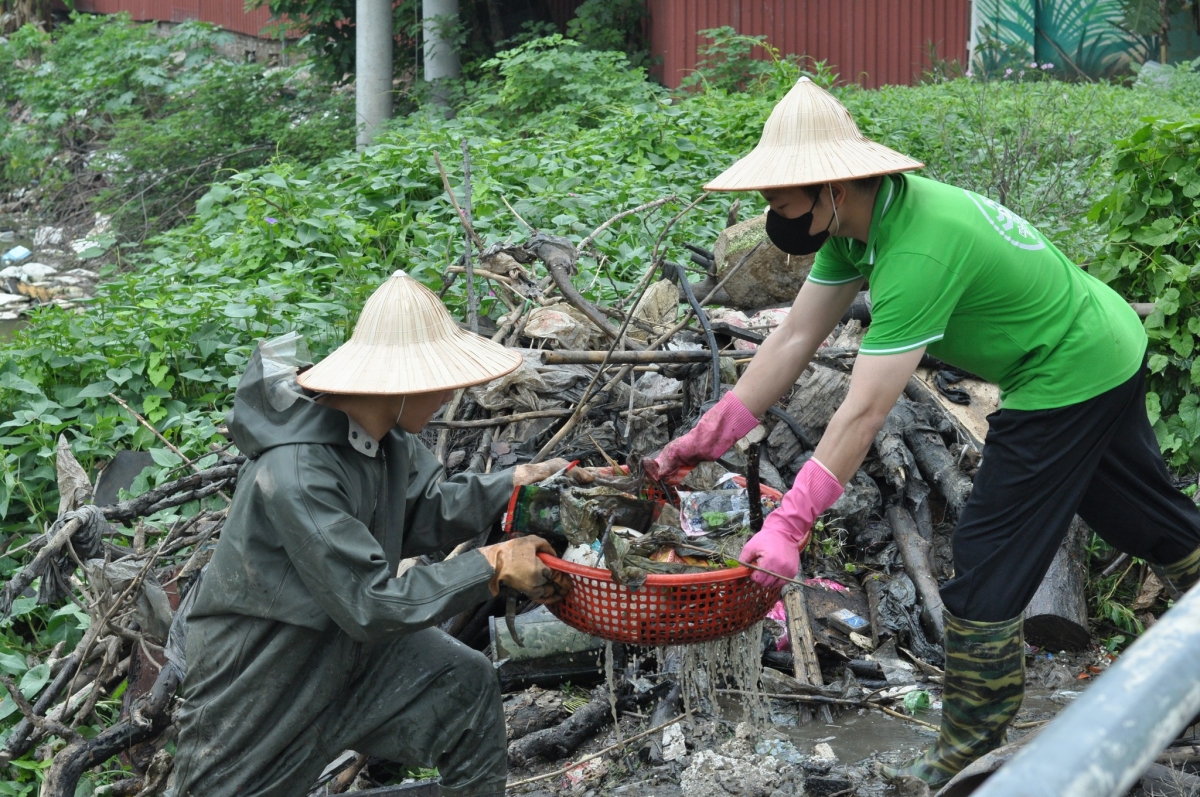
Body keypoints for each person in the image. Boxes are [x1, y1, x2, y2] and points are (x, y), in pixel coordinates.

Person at [646, 77, 1200, 787]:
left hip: (1068, 370)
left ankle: (966, 755)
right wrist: (706, 436)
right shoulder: (856, 229)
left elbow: (864, 410)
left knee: (986, 563)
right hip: (1107, 335)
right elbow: (792, 341)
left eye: (781, 198)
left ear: (832, 188)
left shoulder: (917, 250)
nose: (769, 213)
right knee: (1147, 520)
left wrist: (791, 524)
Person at [169, 270, 575, 797]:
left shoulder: (383, 440)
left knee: (463, 684)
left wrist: (510, 485)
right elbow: (370, 604)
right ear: (400, 383)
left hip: (349, 654)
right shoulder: (298, 472)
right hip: (265, 672)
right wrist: (492, 566)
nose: (450, 390)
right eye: (440, 378)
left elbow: (423, 512)